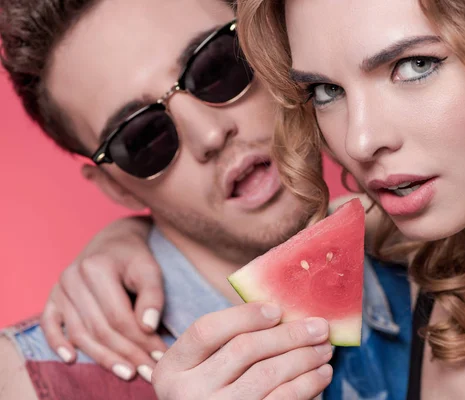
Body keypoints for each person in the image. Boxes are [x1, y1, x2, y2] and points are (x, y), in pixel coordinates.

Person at [0, 0, 411, 398]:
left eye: (216, 66)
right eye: (141, 136)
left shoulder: (431, 252)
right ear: (117, 187)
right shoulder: (34, 381)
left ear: (271, 44)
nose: (210, 135)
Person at [230, 0, 465, 398]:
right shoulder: (417, 260)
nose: (360, 141)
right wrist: (151, 243)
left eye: (414, 65)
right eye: (326, 91)